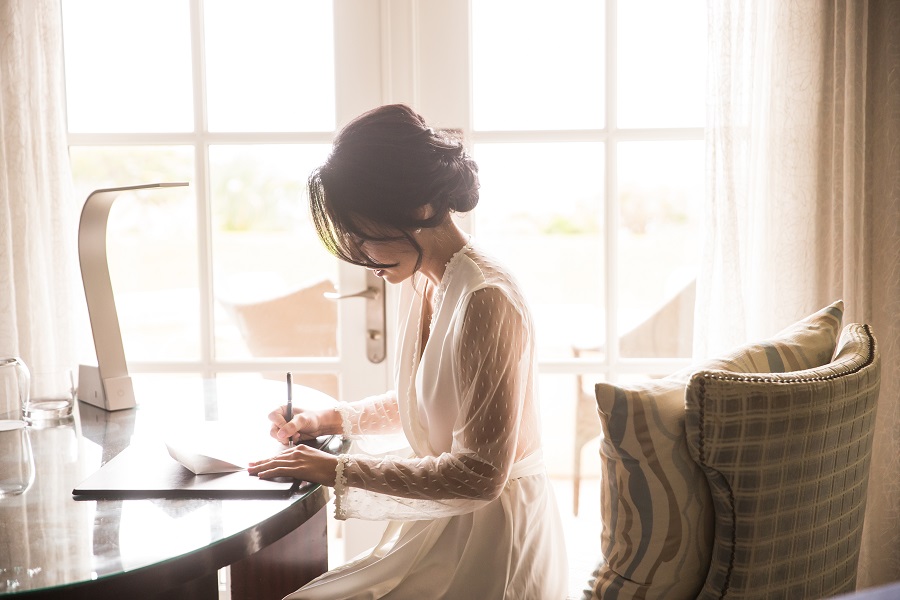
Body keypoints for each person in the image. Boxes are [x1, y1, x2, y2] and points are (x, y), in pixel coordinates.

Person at [248, 104, 568, 600]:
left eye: (364, 233)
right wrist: (330, 419)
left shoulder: (485, 296)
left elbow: (480, 474)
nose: (359, 253)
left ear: (416, 211)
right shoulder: (425, 279)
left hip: (493, 537)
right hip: (450, 520)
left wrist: (335, 470)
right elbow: (429, 402)